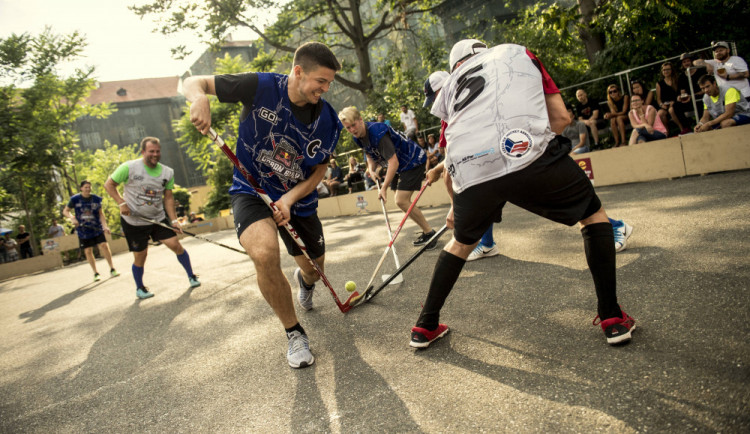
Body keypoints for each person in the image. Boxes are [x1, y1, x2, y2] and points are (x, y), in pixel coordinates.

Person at [410, 39, 636, 350]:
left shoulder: (451, 87)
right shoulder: (517, 53)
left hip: (473, 173)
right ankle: (612, 318)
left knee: (461, 242)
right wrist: (527, 153)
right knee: (593, 215)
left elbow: (452, 162)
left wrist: (456, 208)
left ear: (456, 66)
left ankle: (425, 326)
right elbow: (561, 119)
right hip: (526, 153)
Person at [183, 42, 342, 369]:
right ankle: (294, 332)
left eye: (329, 84)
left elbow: (319, 172)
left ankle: (305, 282)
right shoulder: (261, 86)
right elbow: (193, 81)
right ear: (298, 72)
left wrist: (289, 198)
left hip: (297, 200)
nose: (325, 90)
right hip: (250, 189)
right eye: (321, 82)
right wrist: (199, 97)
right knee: (265, 254)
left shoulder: (327, 119)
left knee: (313, 270)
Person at [104, 137, 201, 299]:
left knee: (175, 244)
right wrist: (121, 203)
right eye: (151, 151)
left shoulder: (167, 172)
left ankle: (191, 275)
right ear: (143, 152)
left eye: (157, 151)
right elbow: (109, 184)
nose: (155, 154)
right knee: (141, 255)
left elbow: (168, 198)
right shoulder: (128, 167)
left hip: (157, 218)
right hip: (133, 221)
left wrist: (174, 220)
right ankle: (140, 288)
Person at [338, 106, 437, 249]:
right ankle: (428, 232)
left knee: (401, 200)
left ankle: (430, 233)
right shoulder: (358, 137)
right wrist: (370, 168)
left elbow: (393, 162)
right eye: (348, 128)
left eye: (353, 125)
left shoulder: (377, 133)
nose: (352, 130)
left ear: (360, 120)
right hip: (401, 165)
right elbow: (369, 153)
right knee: (401, 201)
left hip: (412, 160)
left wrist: (383, 187)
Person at [62, 180, 120, 281]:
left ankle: (112, 268)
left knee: (104, 246)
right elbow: (65, 211)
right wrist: (72, 218)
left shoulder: (96, 199)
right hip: (83, 230)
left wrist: (105, 226)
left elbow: (101, 214)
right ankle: (96, 273)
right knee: (88, 251)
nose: (88, 189)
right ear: (81, 188)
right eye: (86, 187)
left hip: (96, 227)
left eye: (89, 187)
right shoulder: (75, 199)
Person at [655, 61, 687, 134]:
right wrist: (661, 105)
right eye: (664, 70)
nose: (666, 71)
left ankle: (682, 129)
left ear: (671, 70)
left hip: (676, 102)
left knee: (671, 110)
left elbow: (682, 93)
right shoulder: (659, 84)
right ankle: (667, 132)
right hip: (665, 105)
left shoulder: (677, 80)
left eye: (668, 69)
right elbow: (658, 99)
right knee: (660, 113)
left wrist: (675, 101)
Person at [675, 52, 706, 124]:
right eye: (684, 62)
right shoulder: (682, 77)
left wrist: (693, 96)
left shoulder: (700, 72)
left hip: (702, 95)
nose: (686, 63)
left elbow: (706, 88)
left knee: (699, 103)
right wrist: (682, 97)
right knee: (676, 106)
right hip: (689, 98)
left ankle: (702, 124)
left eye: (688, 61)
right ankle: (686, 127)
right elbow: (682, 91)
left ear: (692, 61)